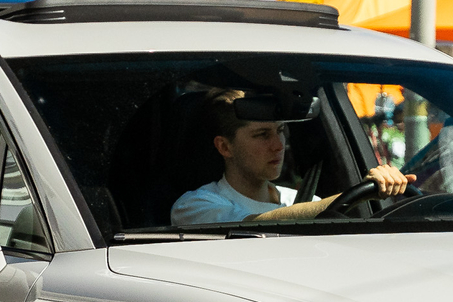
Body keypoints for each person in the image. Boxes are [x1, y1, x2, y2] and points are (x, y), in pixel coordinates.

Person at [169, 92, 412, 227]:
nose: (278, 145)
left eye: (281, 131)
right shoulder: (195, 206)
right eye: (262, 135)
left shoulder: (299, 200)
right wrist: (358, 194)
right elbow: (253, 224)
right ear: (224, 146)